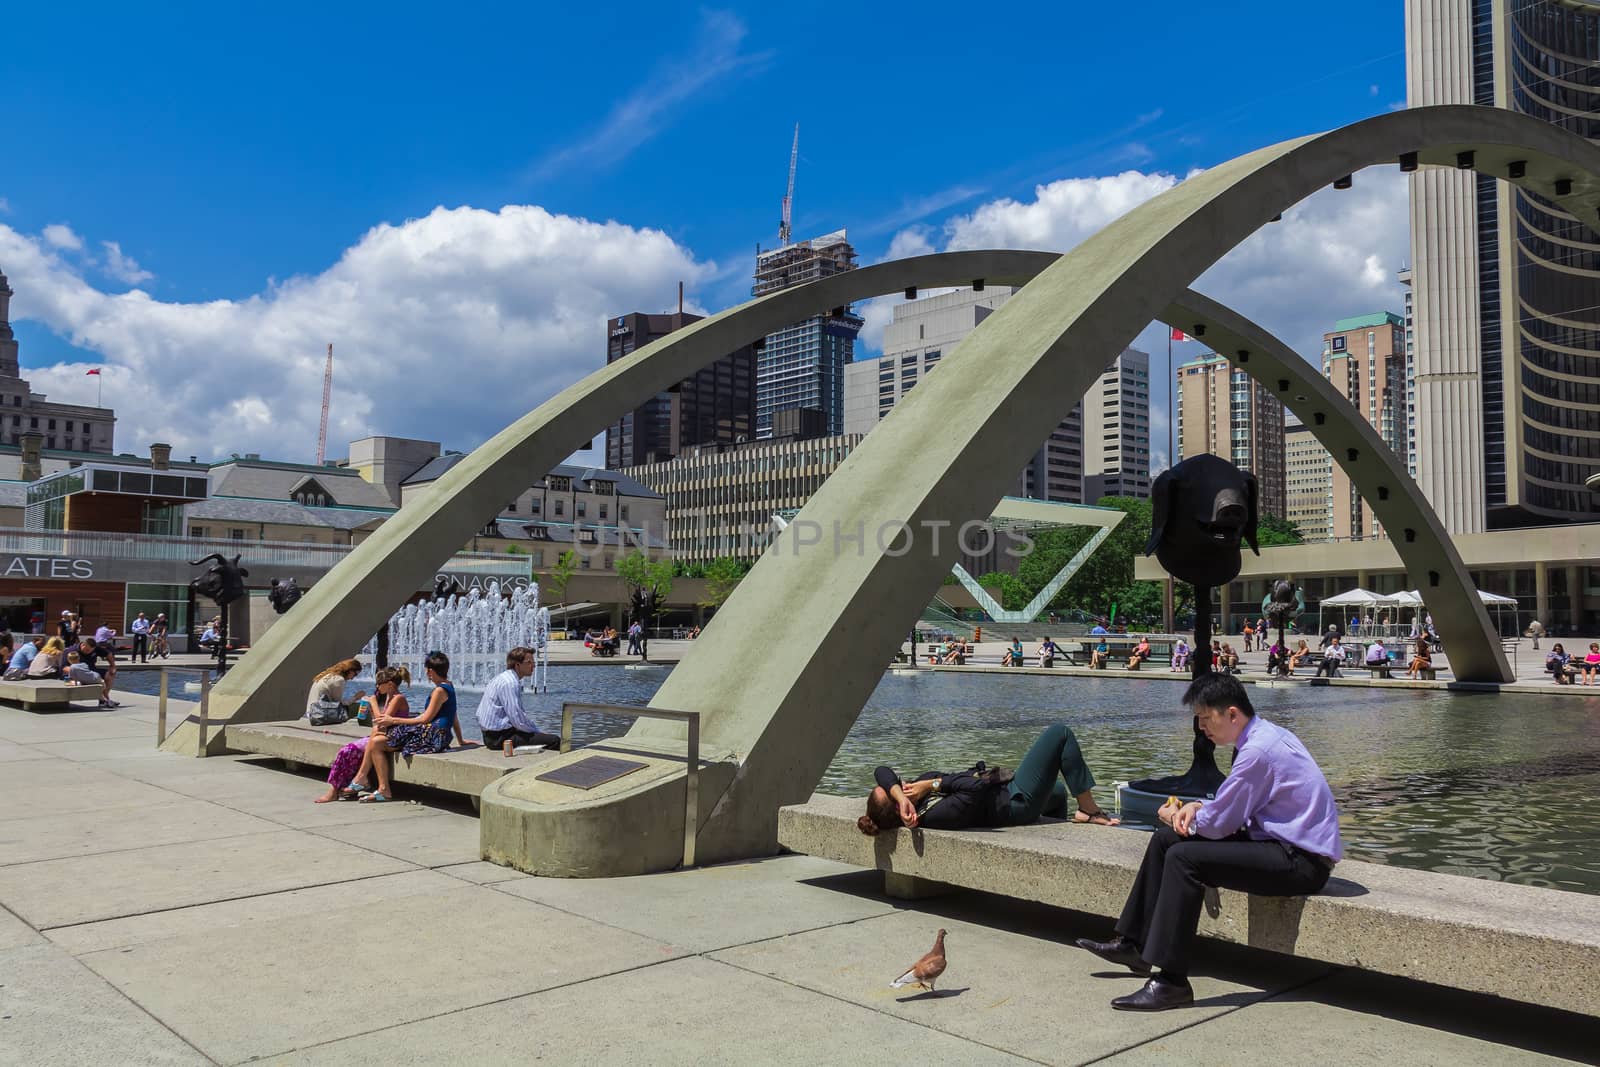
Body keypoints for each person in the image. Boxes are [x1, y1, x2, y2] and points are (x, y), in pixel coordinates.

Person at [1075, 673, 1341, 1011]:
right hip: (1277, 843)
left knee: (1184, 857)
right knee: (1165, 841)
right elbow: (1230, 808)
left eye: (1205, 717)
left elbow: (1220, 825)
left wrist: (1175, 814)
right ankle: (1134, 944)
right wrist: (1197, 808)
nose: (1201, 727)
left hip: (1302, 862)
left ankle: (1171, 982)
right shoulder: (1261, 736)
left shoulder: (1257, 751)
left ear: (1231, 714)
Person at [857, 721, 1119, 835]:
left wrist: (899, 795)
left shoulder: (909, 795)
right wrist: (931, 784)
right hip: (1015, 803)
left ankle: (1064, 826)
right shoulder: (934, 815)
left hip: (1007, 792)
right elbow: (976, 788)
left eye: (895, 789)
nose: (901, 785)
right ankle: (1089, 809)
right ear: (901, 812)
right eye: (893, 793)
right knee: (1059, 734)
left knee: (1058, 791)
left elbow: (881, 770)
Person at [347, 651, 470, 802]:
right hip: (438, 734)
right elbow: (453, 714)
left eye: (426, 670)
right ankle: (368, 780)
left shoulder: (439, 690)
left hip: (432, 736)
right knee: (376, 735)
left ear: (430, 671)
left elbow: (425, 719)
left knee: (376, 742)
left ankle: (378, 786)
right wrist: (460, 739)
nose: (426, 673)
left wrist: (394, 720)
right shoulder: (449, 686)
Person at [317, 666, 412, 803]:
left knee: (348, 751)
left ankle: (356, 780)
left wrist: (373, 703)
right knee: (347, 751)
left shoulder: (398, 698)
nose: (377, 687)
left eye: (379, 684)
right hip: (382, 735)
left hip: (394, 737)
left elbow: (382, 722)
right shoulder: (389, 698)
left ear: (389, 684)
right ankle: (347, 784)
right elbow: (379, 723)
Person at [477, 649, 559, 756]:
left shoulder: (504, 678)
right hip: (499, 738)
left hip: (493, 734)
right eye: (529, 663)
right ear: (517, 665)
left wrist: (535, 731)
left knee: (541, 736)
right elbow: (517, 719)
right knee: (555, 740)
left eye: (533, 663)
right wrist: (537, 732)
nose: (533, 666)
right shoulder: (510, 683)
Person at [305, 658, 364, 723]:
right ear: (351, 671)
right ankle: (370, 731)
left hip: (311, 712)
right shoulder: (339, 679)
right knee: (362, 707)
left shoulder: (328, 675)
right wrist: (355, 697)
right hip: (320, 714)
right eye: (355, 674)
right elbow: (339, 704)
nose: (353, 678)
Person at [75, 636, 119, 708]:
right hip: (80, 673)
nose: (88, 652)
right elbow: (64, 667)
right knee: (99, 680)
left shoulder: (96, 648)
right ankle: (105, 700)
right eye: (87, 650)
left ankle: (104, 699)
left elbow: (108, 654)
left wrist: (112, 666)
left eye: (91, 651)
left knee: (110, 674)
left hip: (92, 670)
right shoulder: (73, 651)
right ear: (83, 645)